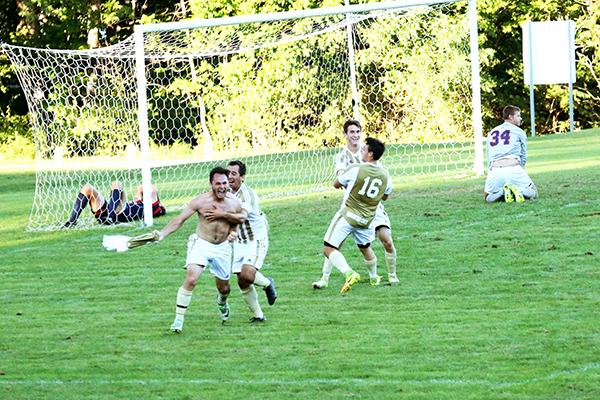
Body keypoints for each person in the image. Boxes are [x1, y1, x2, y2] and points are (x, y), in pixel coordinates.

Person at [313, 119, 399, 289]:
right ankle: (325, 278)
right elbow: (343, 180)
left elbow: (338, 182)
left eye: (358, 131)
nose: (356, 135)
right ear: (345, 135)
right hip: (354, 204)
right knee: (342, 244)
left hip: (370, 208)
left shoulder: (368, 154)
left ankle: (382, 276)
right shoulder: (343, 157)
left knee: (382, 241)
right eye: (352, 132)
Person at [156, 166, 244, 333]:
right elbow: (179, 219)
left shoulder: (234, 203)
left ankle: (222, 301)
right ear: (211, 183)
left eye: (225, 183)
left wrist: (233, 233)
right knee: (191, 279)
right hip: (202, 243)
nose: (222, 187)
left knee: (224, 288)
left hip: (223, 248)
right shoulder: (200, 201)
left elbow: (235, 222)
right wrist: (162, 234)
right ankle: (178, 320)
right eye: (218, 183)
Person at [205, 160, 277, 323]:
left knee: (247, 274)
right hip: (239, 240)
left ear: (243, 177)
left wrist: (220, 215)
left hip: (255, 238)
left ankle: (267, 283)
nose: (229, 176)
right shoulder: (226, 190)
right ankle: (258, 315)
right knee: (241, 279)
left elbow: (241, 216)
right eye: (228, 172)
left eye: (234, 173)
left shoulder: (246, 195)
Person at [484, 105, 538, 203]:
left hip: (496, 170)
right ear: (510, 117)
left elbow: (488, 155)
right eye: (518, 116)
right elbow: (523, 155)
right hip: (513, 168)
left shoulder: (491, 132)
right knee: (533, 191)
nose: (520, 118)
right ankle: (519, 190)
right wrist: (520, 169)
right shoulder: (519, 132)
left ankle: (502, 192)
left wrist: (491, 172)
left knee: (488, 197)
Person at [63, 182, 166, 228]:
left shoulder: (153, 207)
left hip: (123, 213)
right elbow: (141, 188)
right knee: (88, 188)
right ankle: (71, 221)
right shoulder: (138, 202)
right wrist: (138, 196)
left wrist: (139, 195)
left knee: (116, 184)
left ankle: (110, 217)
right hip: (111, 211)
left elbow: (149, 187)